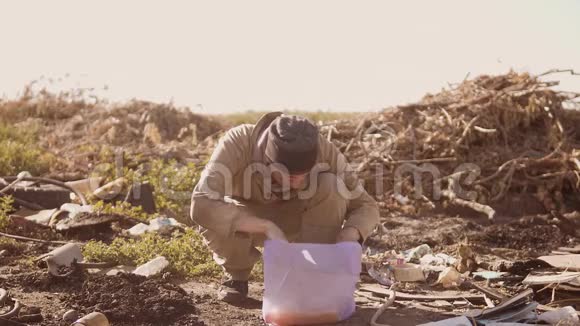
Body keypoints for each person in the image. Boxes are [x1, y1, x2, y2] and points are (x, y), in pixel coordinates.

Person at [190, 112, 379, 303]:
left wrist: (349, 234)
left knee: (332, 185)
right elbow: (201, 201)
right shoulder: (238, 142)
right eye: (288, 175)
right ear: (268, 159)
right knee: (216, 212)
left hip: (299, 221)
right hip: (249, 221)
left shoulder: (323, 150)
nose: (296, 181)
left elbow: (366, 205)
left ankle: (313, 275)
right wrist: (266, 227)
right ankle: (237, 278)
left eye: (303, 174)